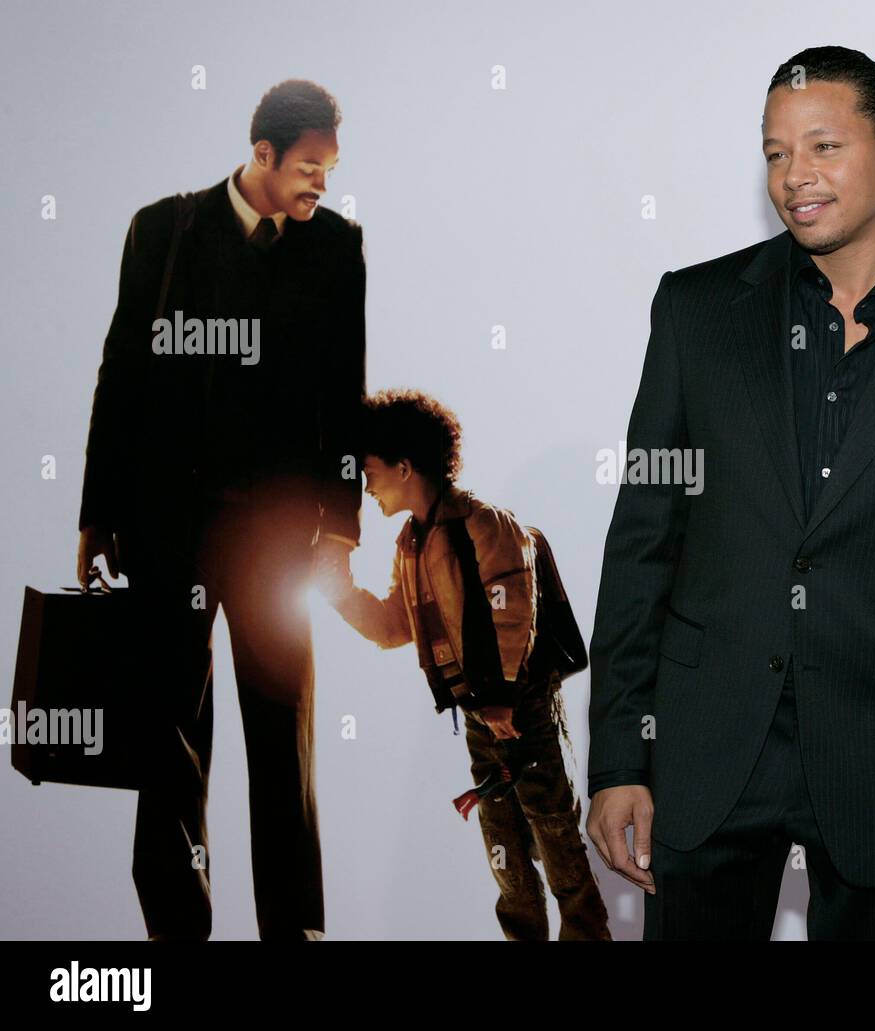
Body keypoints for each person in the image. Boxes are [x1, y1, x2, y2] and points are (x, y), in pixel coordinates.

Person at [585, 45, 875, 939]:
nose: (796, 177)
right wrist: (615, 757)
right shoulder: (695, 310)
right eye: (775, 153)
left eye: (824, 147)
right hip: (708, 749)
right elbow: (642, 542)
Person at [75, 79, 366, 940]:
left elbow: (343, 395)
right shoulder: (162, 231)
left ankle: (296, 931)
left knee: (284, 738)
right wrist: (97, 513)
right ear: (263, 156)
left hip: (280, 538)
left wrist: (341, 529)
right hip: (167, 528)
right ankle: (174, 930)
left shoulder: (337, 247)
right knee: (163, 737)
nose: (322, 185)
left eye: (332, 170)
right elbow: (120, 373)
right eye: (310, 167)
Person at [317, 388, 611, 941]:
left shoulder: (484, 524)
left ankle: (586, 934)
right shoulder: (411, 544)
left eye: (372, 471)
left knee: (553, 829)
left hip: (520, 705)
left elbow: (514, 609)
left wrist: (499, 693)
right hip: (481, 715)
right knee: (502, 841)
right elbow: (393, 627)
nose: (366, 485)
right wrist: (338, 592)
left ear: (405, 467)